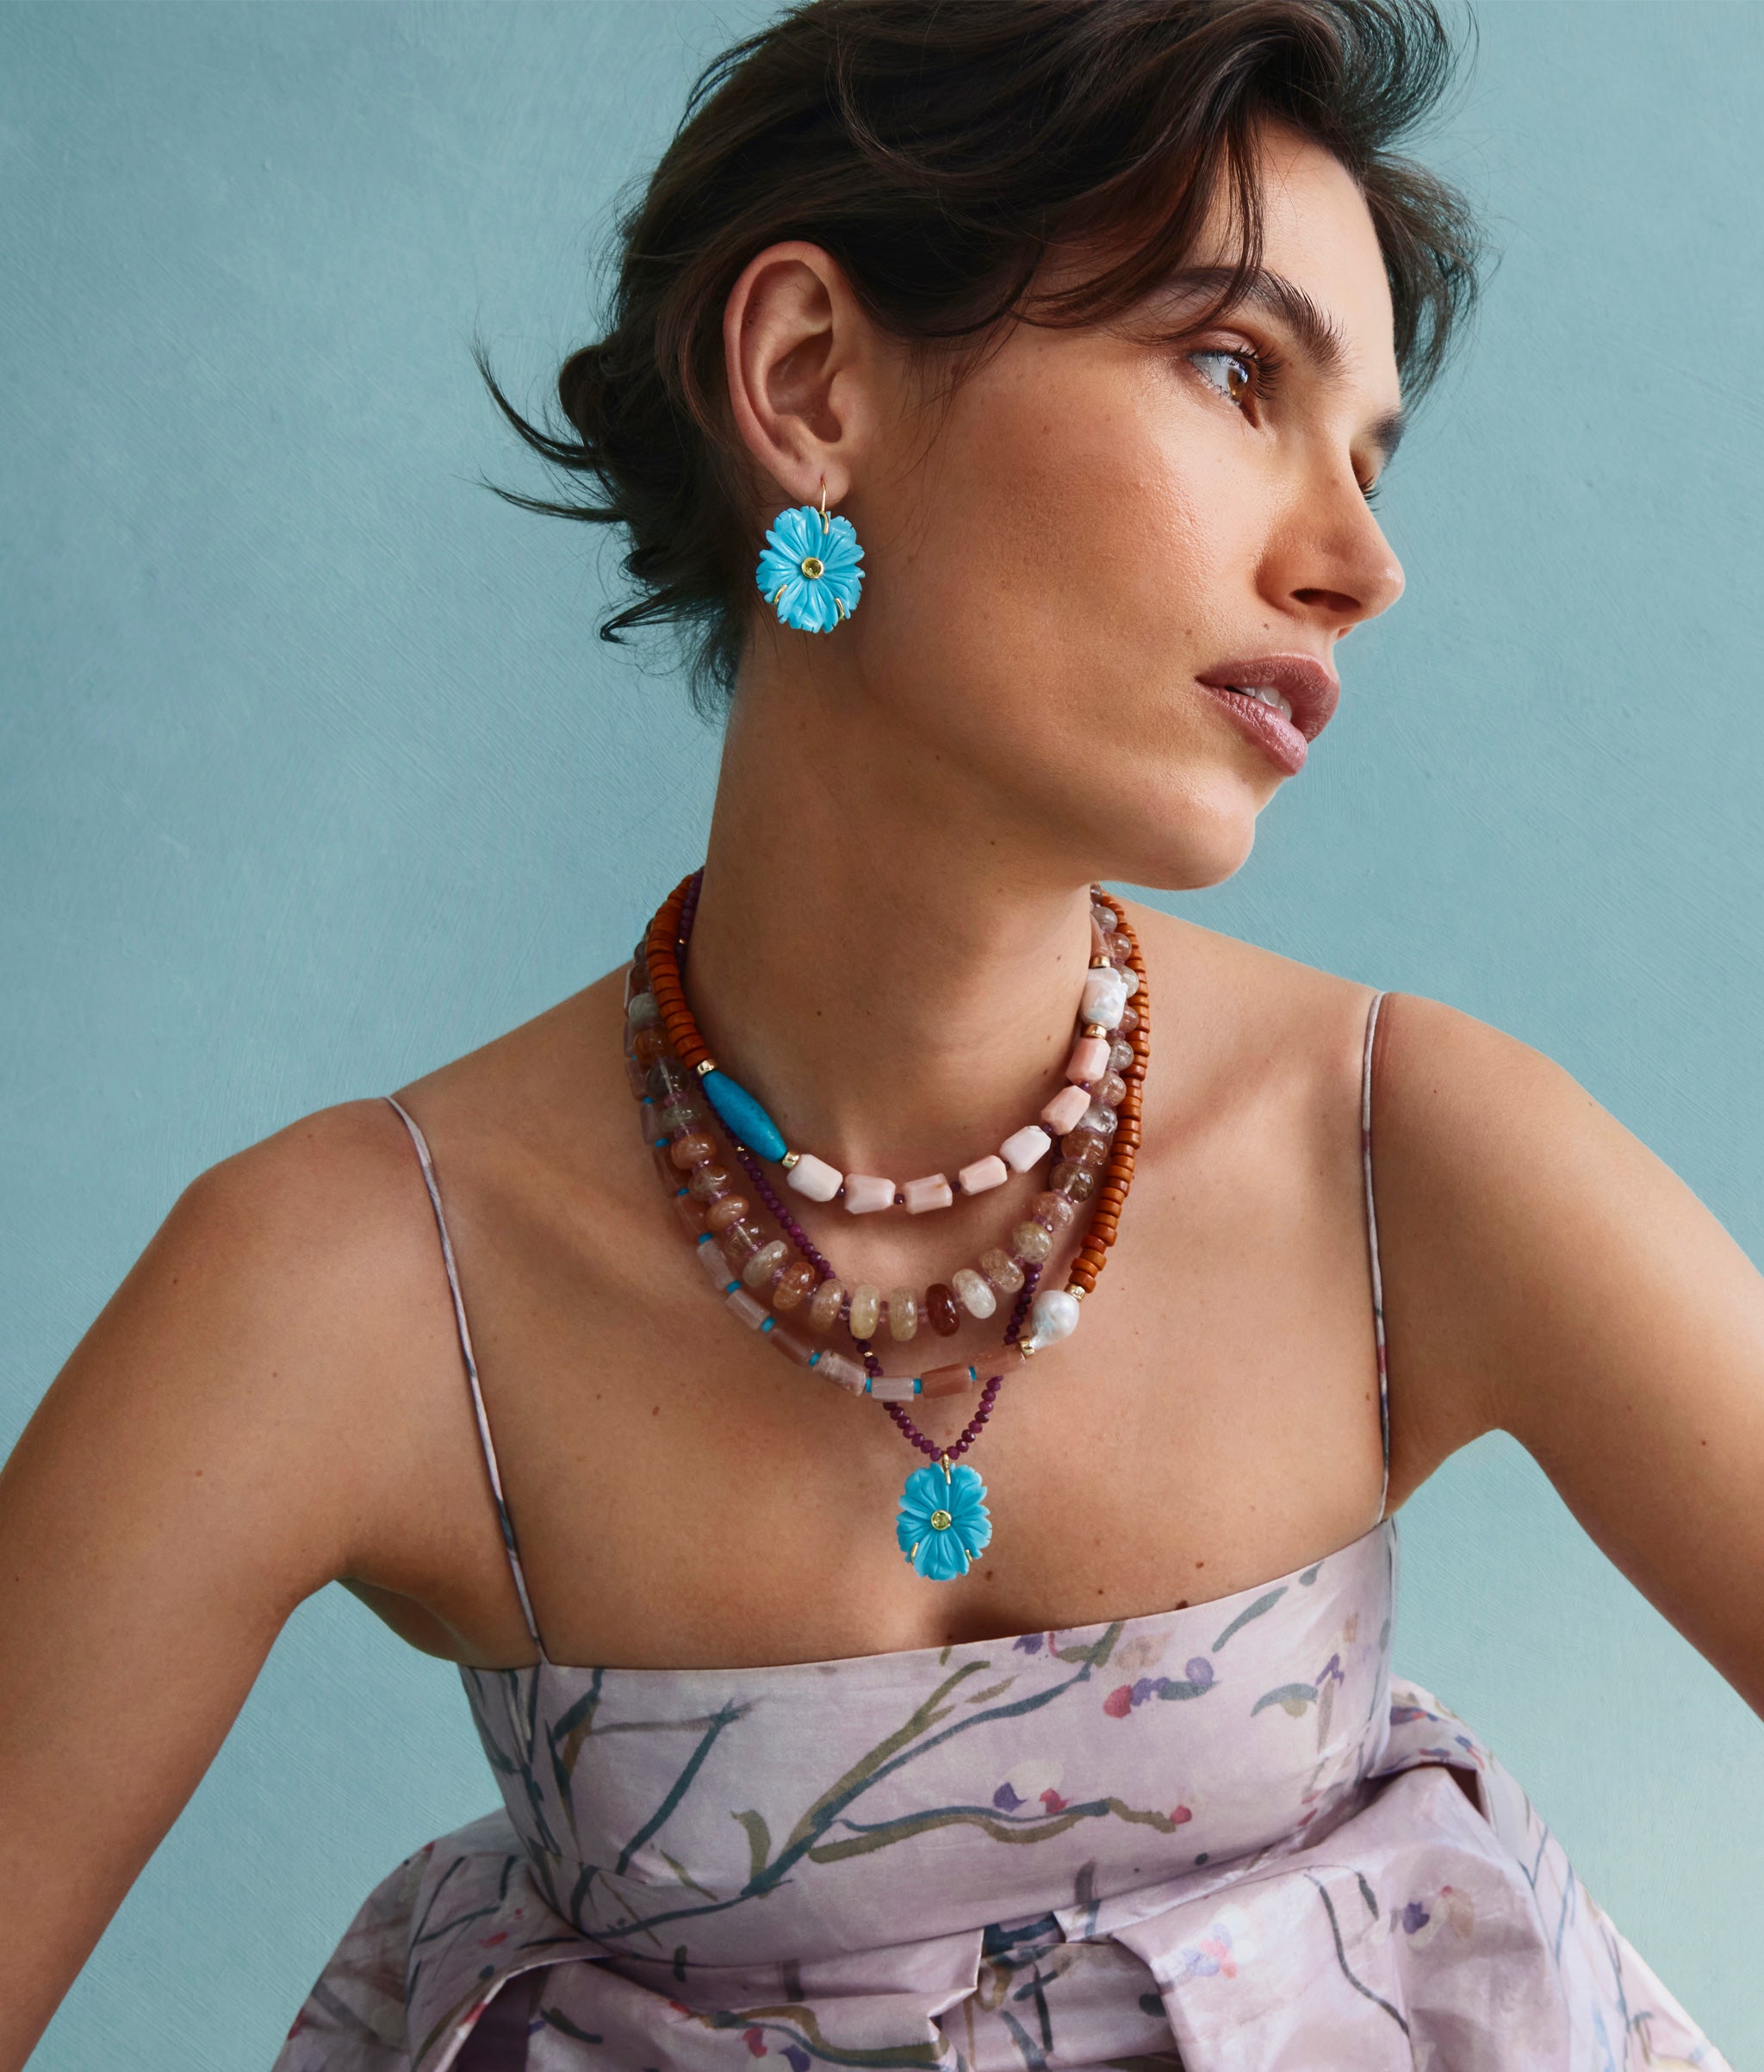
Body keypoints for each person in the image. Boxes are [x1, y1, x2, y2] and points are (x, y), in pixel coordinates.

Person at [0, 0, 1754, 2064]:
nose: (1357, 562)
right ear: (812, 384)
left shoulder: (1406, 1154)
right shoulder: (356, 1287)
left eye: (1365, 453)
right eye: (1229, 369)